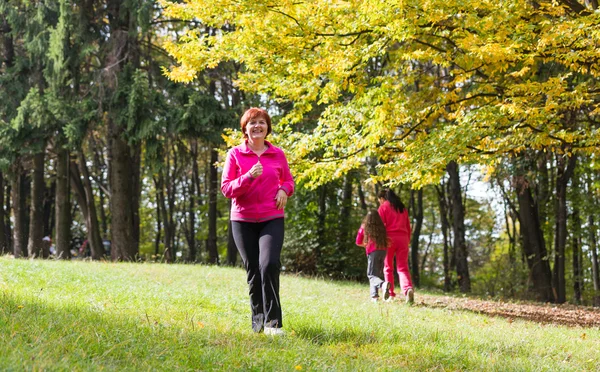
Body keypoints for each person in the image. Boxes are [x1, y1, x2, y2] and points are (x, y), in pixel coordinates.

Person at [221, 107, 294, 336]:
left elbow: (289, 181)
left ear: (267, 127)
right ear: (245, 129)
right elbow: (226, 189)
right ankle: (258, 323)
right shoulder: (235, 154)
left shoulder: (278, 154)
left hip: (271, 217)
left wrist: (284, 189)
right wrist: (247, 176)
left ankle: (274, 324)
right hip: (242, 220)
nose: (257, 126)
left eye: (261, 122)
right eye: (252, 123)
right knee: (253, 270)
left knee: (269, 264)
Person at [378, 188, 414, 304]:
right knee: (402, 267)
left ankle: (390, 295)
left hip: (389, 239)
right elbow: (408, 226)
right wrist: (407, 240)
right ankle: (408, 289)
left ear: (383, 198)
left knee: (388, 267)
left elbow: (379, 225)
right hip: (403, 239)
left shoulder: (384, 207)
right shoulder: (402, 207)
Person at [356, 210, 390, 302]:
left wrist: (366, 245)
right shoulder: (382, 227)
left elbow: (358, 242)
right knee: (376, 274)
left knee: (371, 275)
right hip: (383, 251)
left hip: (372, 252)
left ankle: (383, 285)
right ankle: (374, 297)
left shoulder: (365, 227)